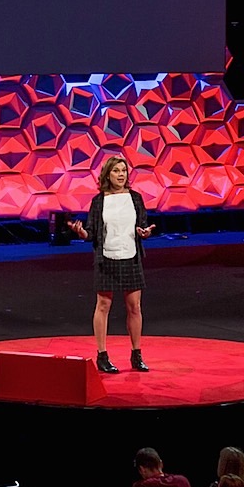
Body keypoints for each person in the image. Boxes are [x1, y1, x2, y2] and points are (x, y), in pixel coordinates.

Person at [67, 155, 155, 374]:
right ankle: (102, 356)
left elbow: (143, 225)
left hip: (130, 256)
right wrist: (81, 232)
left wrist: (145, 233)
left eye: (124, 170)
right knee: (103, 306)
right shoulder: (99, 201)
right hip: (106, 258)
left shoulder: (135, 198)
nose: (121, 174)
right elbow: (92, 233)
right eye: (116, 171)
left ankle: (136, 355)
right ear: (107, 174)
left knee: (134, 307)